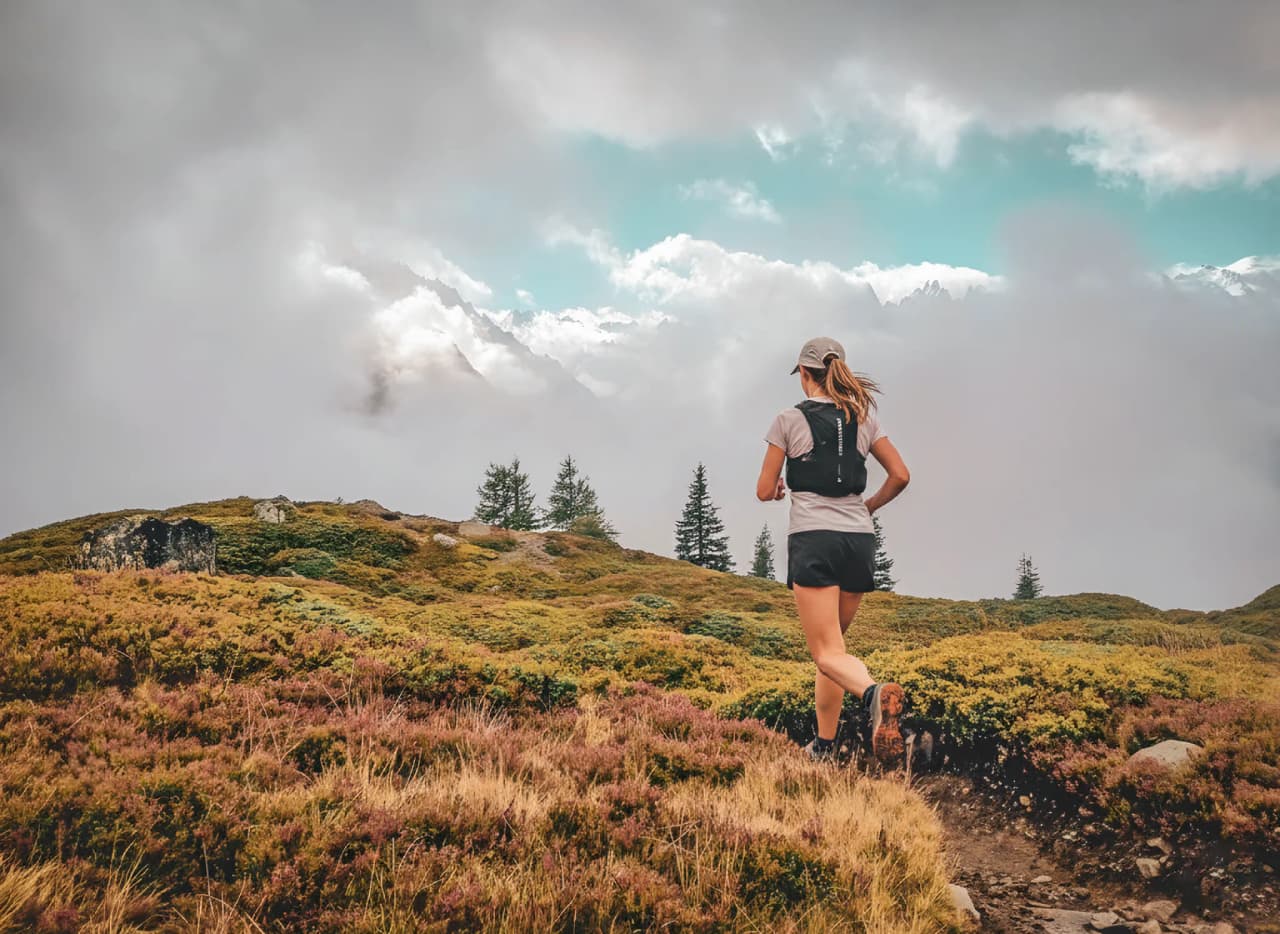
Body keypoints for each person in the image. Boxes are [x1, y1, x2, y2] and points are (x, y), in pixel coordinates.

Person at [756, 336, 912, 766]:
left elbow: (764, 489)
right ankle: (824, 746)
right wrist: (869, 507)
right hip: (858, 541)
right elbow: (900, 475)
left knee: (825, 652)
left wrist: (778, 492)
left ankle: (874, 694)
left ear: (805, 375)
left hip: (814, 539)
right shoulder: (864, 419)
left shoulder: (788, 420)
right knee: (835, 650)